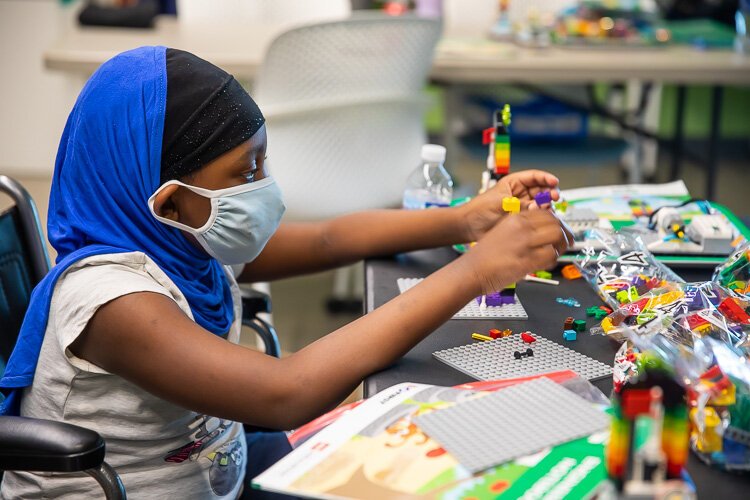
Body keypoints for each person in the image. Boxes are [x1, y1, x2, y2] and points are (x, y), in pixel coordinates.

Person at [0, 46, 572, 499]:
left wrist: (464, 221)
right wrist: (475, 273)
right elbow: (285, 394)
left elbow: (329, 238)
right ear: (168, 202)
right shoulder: (110, 300)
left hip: (219, 468)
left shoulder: (185, 240)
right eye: (242, 171)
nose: (261, 185)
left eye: (261, 162)